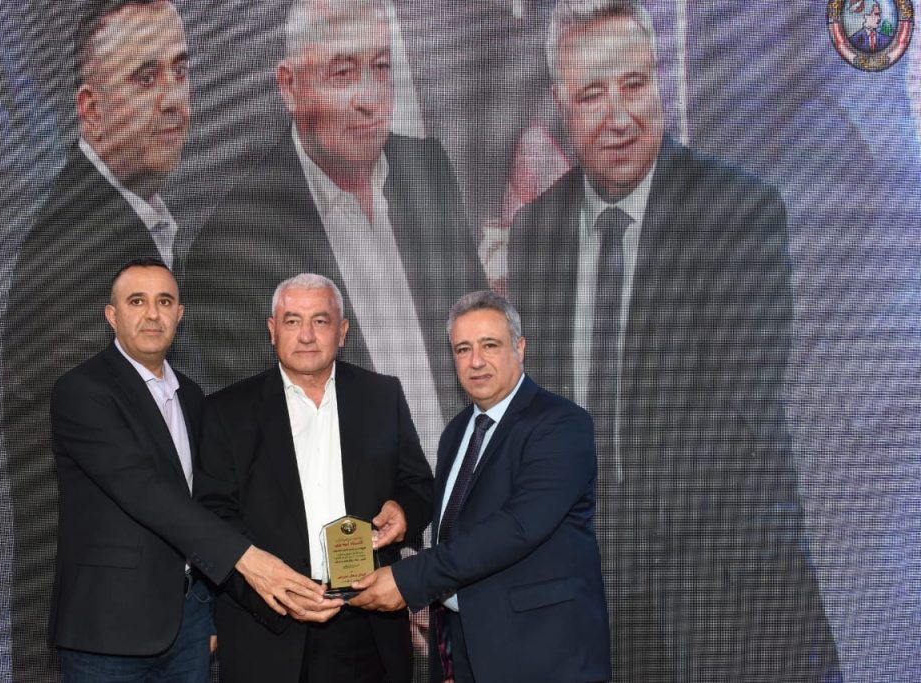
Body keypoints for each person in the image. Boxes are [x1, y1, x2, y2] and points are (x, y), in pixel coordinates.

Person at [508, 1, 840, 680]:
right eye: (592, 94)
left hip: (721, 600)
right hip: (591, 605)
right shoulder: (534, 232)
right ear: (561, 108)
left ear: (659, 83)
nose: (618, 116)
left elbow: (731, 419)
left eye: (633, 84)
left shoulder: (739, 213)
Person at [184, 0, 487, 459]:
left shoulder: (429, 172)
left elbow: (479, 349)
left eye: (380, 68)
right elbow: (258, 447)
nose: (370, 98)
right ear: (290, 87)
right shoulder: (234, 245)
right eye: (343, 73)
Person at [1, 0, 196, 674]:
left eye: (180, 71)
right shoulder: (75, 249)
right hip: (104, 632)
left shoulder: (135, 222)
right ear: (91, 109)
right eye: (146, 78)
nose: (173, 99)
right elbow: (124, 467)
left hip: (148, 620)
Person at [49, 259, 326, 681]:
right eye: (137, 301)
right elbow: (144, 491)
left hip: (188, 626)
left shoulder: (192, 396)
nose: (152, 314)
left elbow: (207, 501)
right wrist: (247, 559)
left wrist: (208, 608)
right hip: (108, 629)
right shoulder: (82, 391)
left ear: (179, 314)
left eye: (164, 301)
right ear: (112, 315)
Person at [350, 290, 610, 683]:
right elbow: (459, 526)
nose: (475, 361)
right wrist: (406, 515)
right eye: (463, 349)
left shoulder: (561, 424)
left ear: (519, 348)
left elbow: (518, 527)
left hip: (543, 656)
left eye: (490, 345)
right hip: (462, 652)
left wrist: (411, 580)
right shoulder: (456, 433)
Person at [196, 273, 435, 683]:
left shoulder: (382, 396)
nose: (306, 335)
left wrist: (403, 511)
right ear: (272, 330)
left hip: (368, 623)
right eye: (292, 320)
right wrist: (269, 588)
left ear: (342, 331)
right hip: (268, 629)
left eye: (320, 321)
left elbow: (419, 486)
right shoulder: (226, 411)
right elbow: (213, 515)